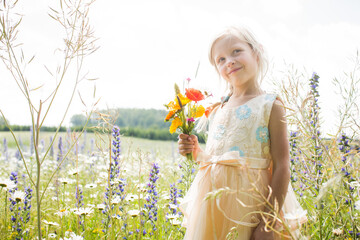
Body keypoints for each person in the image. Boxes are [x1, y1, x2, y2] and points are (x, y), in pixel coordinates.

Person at [178, 26, 307, 240]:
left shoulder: (270, 106)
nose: (229, 61)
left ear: (256, 53)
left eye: (236, 51)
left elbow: (282, 166)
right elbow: (214, 161)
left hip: (250, 206)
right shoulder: (218, 108)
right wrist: (193, 150)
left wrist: (268, 221)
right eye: (221, 59)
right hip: (212, 205)